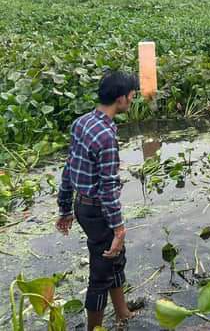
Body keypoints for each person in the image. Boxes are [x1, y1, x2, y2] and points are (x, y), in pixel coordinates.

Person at [56, 71, 139, 331]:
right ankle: (95, 328)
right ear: (120, 99)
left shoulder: (82, 123)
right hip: (97, 210)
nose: (133, 99)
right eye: (131, 96)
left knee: (115, 258)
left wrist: (65, 206)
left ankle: (123, 313)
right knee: (101, 271)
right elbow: (108, 188)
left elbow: (70, 166)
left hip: (82, 206)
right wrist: (119, 228)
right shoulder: (106, 137)